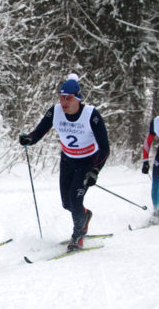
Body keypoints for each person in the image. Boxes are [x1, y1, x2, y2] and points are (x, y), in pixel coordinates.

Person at [18, 74, 110, 250]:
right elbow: (39, 132)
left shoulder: (92, 115)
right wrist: (29, 139)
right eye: (61, 98)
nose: (63, 102)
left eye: (68, 98)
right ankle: (85, 215)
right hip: (67, 160)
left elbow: (105, 148)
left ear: (78, 98)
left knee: (75, 198)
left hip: (88, 162)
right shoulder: (55, 111)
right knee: (67, 203)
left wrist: (95, 170)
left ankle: (78, 235)